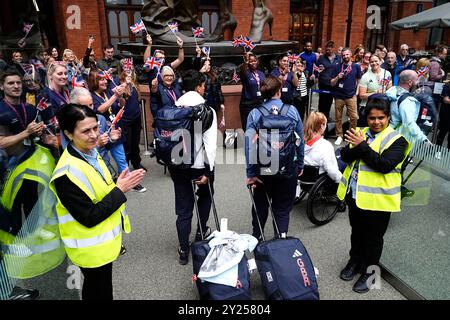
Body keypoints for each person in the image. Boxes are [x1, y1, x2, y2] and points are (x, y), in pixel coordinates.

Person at [50, 104, 145, 300]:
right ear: (68, 134)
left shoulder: (90, 152)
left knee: (99, 289)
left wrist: (118, 183)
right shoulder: (65, 174)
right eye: (85, 131)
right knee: (98, 291)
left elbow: (98, 188)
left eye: (95, 128)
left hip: (102, 245)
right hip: (89, 250)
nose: (94, 135)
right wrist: (120, 190)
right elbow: (89, 216)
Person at [0, 69, 63, 299]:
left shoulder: (30, 107)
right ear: (2, 86)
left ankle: (31, 245)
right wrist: (24, 133)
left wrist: (47, 138)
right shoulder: (1, 110)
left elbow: (43, 132)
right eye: (11, 83)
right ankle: (9, 274)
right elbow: (1, 142)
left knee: (35, 210)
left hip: (32, 172)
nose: (16, 86)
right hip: (9, 175)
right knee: (11, 222)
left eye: (18, 82)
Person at [336, 97, 410, 293]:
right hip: (356, 196)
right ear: (366, 118)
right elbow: (344, 155)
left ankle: (371, 273)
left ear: (388, 118)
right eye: (371, 118)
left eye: (381, 118)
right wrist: (358, 146)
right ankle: (355, 261)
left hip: (379, 201)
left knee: (374, 238)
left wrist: (361, 146)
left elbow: (384, 165)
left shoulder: (398, 140)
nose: (376, 122)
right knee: (357, 233)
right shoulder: (362, 133)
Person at [245, 75, 304, 240]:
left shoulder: (255, 114)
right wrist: (300, 164)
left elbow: (250, 146)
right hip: (287, 168)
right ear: (279, 91)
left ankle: (257, 238)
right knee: (282, 208)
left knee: (260, 205)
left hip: (263, 169)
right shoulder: (292, 111)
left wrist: (251, 173)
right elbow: (300, 140)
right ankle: (281, 239)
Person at [168, 69, 217, 265]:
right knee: (205, 196)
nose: (204, 88)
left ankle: (182, 248)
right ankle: (201, 231)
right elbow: (210, 146)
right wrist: (208, 171)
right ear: (198, 87)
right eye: (203, 85)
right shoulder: (207, 111)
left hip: (177, 164)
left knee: (183, 206)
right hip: (199, 166)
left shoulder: (173, 107)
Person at [330, 47, 362, 145]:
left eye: (347, 54)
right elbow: (331, 83)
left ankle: (350, 136)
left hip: (351, 95)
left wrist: (357, 91)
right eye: (343, 55)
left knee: (354, 117)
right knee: (338, 117)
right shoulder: (336, 66)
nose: (345, 56)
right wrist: (337, 77)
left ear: (351, 55)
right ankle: (339, 135)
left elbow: (359, 79)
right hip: (339, 96)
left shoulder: (356, 66)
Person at [386, 70, 428, 144]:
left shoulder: (392, 91)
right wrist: (424, 139)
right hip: (398, 138)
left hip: (388, 133)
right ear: (410, 82)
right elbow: (409, 123)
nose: (418, 83)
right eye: (416, 80)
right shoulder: (407, 101)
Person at [118, 70, 147, 172]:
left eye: (131, 71)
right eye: (126, 71)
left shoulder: (134, 85)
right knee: (127, 145)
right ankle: (124, 168)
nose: (129, 74)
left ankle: (136, 163)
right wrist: (124, 87)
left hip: (136, 118)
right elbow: (121, 104)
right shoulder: (120, 86)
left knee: (135, 143)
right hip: (126, 120)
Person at [303, 111, 342, 183]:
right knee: (342, 162)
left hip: (302, 177)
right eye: (325, 124)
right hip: (320, 179)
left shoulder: (300, 142)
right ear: (321, 126)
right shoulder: (325, 146)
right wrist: (341, 180)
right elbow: (332, 172)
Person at [358, 54, 392, 126]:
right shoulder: (365, 76)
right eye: (372, 62)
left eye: (376, 61)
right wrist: (376, 93)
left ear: (380, 61)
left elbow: (390, 91)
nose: (374, 63)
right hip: (368, 107)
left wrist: (386, 93)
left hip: (382, 106)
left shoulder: (387, 73)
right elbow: (361, 95)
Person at [315, 40, 341, 126]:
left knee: (329, 102)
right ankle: (321, 119)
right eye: (326, 50)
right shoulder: (322, 58)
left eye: (329, 50)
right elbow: (317, 69)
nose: (328, 51)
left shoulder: (338, 58)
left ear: (333, 49)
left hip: (333, 84)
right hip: (323, 84)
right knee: (322, 103)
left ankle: (327, 117)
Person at [239, 52, 266, 130]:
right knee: (248, 127)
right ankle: (248, 142)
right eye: (251, 61)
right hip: (247, 104)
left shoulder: (261, 74)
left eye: (255, 60)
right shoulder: (246, 73)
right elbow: (242, 72)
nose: (253, 63)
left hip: (260, 103)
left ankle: (260, 142)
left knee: (261, 127)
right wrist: (246, 61)